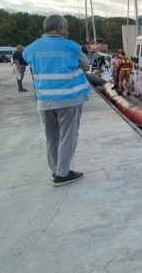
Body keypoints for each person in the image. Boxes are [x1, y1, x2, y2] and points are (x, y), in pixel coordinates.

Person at [23, 14, 90, 187]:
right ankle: (63, 174)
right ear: (60, 29)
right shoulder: (71, 47)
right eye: (66, 29)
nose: (67, 32)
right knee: (68, 136)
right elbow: (86, 65)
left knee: (51, 137)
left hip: (44, 100)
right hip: (69, 99)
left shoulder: (32, 47)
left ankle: (55, 170)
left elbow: (26, 59)